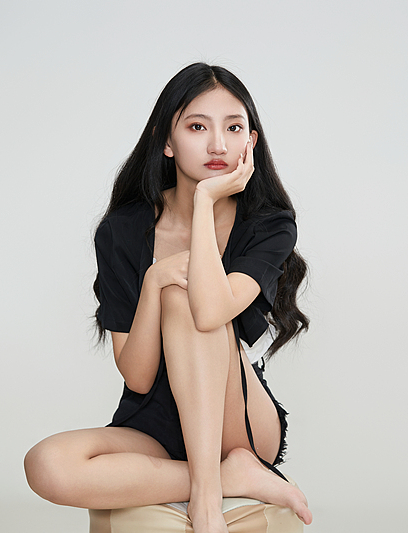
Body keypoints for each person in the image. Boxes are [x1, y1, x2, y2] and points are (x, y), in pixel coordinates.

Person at [24, 63, 313, 533]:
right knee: (47, 464)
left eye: (233, 128)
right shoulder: (122, 231)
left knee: (188, 298)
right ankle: (227, 477)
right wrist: (154, 281)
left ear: (250, 143)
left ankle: (208, 496)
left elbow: (211, 310)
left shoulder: (268, 224)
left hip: (237, 422)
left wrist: (203, 202)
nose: (217, 145)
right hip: (154, 424)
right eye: (197, 127)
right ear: (166, 141)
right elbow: (138, 377)